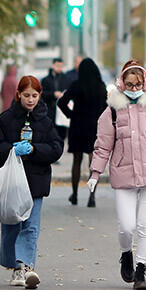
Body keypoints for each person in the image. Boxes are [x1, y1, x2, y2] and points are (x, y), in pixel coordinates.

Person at [88, 60, 146, 290]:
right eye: (129, 84)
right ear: (121, 83)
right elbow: (103, 145)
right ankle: (126, 253)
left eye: (137, 85)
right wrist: (95, 172)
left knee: (145, 225)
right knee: (127, 227)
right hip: (123, 175)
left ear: (144, 84)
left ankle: (141, 270)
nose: (133, 89)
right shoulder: (112, 111)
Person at [0, 76, 63, 289]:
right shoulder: (6, 119)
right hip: (11, 184)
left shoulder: (45, 121)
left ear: (40, 95)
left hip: (35, 182)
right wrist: (11, 150)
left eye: (34, 96)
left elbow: (56, 148)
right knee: (12, 225)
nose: (30, 100)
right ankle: (15, 267)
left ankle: (26, 267)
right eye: (26, 95)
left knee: (31, 226)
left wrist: (35, 150)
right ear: (18, 94)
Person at [56, 57, 109, 207]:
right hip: (94, 127)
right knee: (94, 162)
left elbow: (61, 102)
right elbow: (106, 106)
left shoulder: (76, 85)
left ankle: (74, 194)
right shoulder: (100, 86)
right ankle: (92, 197)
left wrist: (71, 115)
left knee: (76, 162)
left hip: (78, 126)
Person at [41, 58, 69, 142]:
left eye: (61, 66)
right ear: (53, 65)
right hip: (50, 110)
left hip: (61, 111)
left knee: (61, 135)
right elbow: (42, 94)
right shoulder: (46, 80)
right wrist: (53, 94)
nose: (59, 68)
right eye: (57, 66)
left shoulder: (66, 79)